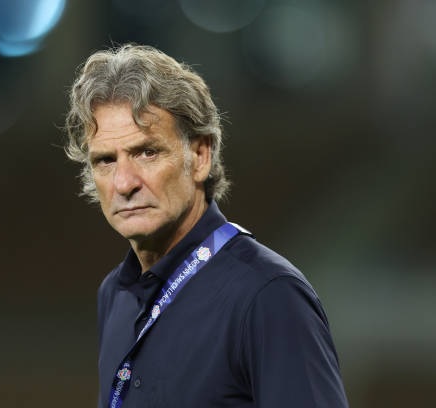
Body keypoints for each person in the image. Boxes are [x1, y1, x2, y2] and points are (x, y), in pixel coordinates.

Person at [64, 44, 348, 408]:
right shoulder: (115, 294)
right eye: (105, 160)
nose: (124, 183)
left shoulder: (268, 295)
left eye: (147, 152)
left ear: (200, 156)